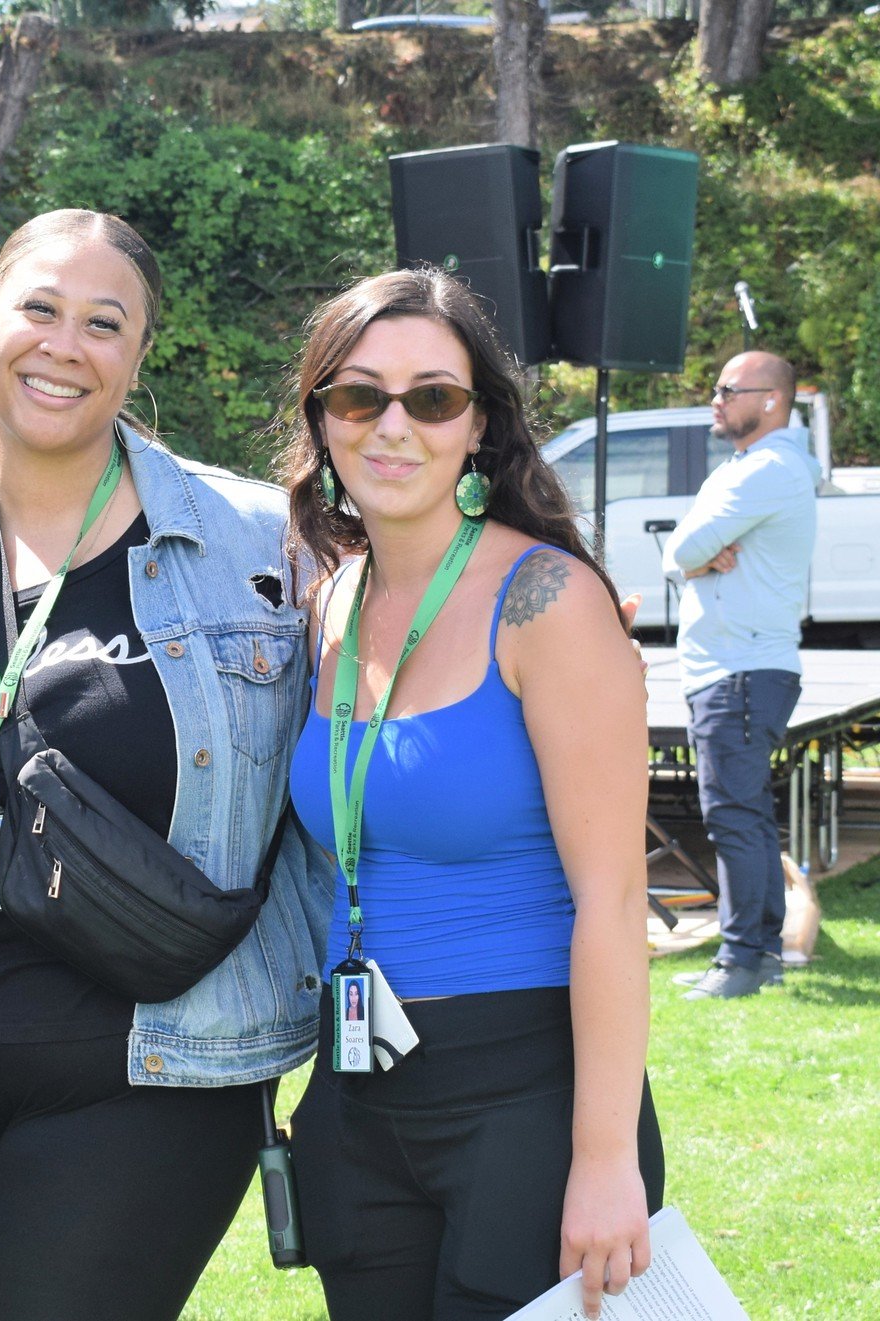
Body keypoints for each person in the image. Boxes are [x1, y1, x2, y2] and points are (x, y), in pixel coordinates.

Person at [0, 209, 329, 1320]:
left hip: (151, 1061)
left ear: (138, 357)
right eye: (37, 308)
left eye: (104, 322)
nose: (62, 343)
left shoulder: (256, 547)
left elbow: (371, 755)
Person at [279, 267, 661, 1321]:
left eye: (430, 397)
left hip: (524, 1097)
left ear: (475, 425)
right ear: (321, 419)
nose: (391, 425)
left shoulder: (547, 601)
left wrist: (601, 1156)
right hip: (355, 1088)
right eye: (359, 396)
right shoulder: (327, 605)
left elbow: (613, 903)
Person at [662, 351, 817, 1000]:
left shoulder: (769, 469)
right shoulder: (753, 470)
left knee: (733, 817)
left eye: (729, 390)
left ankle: (740, 961)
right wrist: (692, 556)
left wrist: (693, 557)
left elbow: (681, 549)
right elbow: (687, 552)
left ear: (773, 401)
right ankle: (759, 956)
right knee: (744, 816)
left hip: (741, 670)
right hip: (740, 667)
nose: (715, 400)